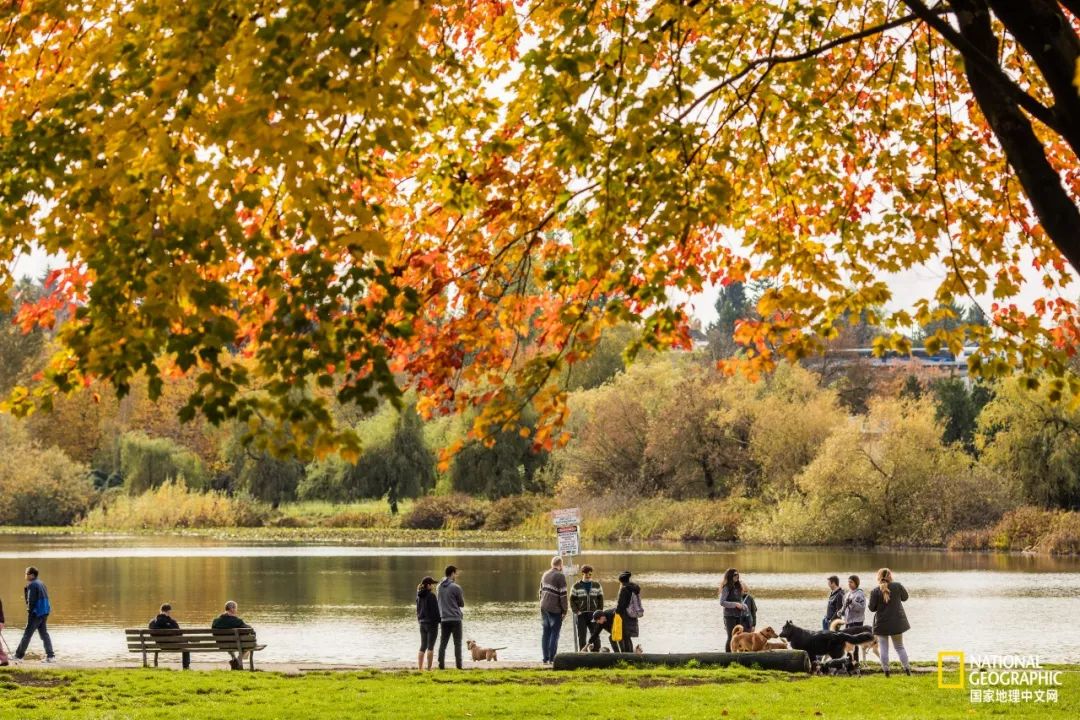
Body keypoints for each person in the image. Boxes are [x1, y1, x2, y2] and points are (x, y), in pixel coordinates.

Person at [867, 567, 911, 677]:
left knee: (883, 648)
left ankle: (886, 672)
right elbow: (905, 598)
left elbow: (872, 608)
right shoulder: (898, 586)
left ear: (878, 577)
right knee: (900, 647)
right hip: (897, 623)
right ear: (890, 576)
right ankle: (907, 670)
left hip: (882, 624)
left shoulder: (875, 591)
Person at [14, 566, 55, 664]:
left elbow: (31, 601)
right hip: (44, 611)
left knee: (27, 635)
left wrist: (30, 612)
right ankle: (51, 656)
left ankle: (18, 656)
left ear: (32, 575)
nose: (25, 575)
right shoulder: (41, 583)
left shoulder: (32, 585)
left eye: (26, 573)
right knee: (44, 634)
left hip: (36, 613)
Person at [539, 556, 568, 663]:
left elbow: (540, 592)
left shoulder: (545, 574)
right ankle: (552, 658)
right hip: (555, 609)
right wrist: (565, 610)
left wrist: (541, 604)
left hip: (543, 607)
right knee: (554, 633)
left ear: (552, 564)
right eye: (562, 565)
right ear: (560, 565)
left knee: (545, 633)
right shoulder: (560, 576)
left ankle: (545, 658)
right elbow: (563, 595)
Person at [437, 565, 465, 670]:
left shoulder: (438, 587)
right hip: (455, 619)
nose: (456, 575)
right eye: (456, 573)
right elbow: (462, 604)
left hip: (444, 619)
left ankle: (441, 666)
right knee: (457, 643)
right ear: (452, 573)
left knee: (443, 643)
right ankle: (459, 666)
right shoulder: (456, 587)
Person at [570, 565, 604, 651]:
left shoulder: (597, 585)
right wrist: (577, 611)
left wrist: (599, 612)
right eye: (587, 574)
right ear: (582, 573)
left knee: (595, 635)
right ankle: (582, 654)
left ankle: (596, 653)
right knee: (582, 636)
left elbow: (601, 600)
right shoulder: (576, 586)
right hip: (581, 615)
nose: (589, 576)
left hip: (594, 615)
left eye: (590, 574)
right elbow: (572, 601)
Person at [211, 600, 251, 670]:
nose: (236, 610)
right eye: (235, 608)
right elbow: (249, 629)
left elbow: (213, 633)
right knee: (248, 643)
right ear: (232, 609)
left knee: (228, 642)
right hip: (236, 644)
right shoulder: (237, 621)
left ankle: (234, 659)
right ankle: (239, 659)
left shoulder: (216, 621)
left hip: (221, 644)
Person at [149, 603, 190, 670]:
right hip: (173, 645)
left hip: (160, 646)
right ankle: (186, 666)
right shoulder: (171, 621)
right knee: (186, 643)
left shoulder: (152, 622)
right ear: (168, 611)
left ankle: (155, 664)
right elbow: (179, 633)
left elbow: (151, 635)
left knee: (185, 641)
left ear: (160, 610)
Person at [837, 575, 868, 661]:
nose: (849, 584)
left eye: (851, 582)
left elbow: (861, 609)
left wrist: (853, 602)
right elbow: (844, 607)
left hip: (857, 622)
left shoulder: (860, 594)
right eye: (848, 582)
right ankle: (849, 661)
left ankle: (856, 661)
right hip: (848, 621)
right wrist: (840, 612)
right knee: (847, 641)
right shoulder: (848, 594)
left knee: (855, 641)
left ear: (856, 583)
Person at [718, 568, 747, 653]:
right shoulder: (726, 588)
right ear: (730, 576)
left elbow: (741, 601)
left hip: (739, 615)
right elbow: (722, 602)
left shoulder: (738, 587)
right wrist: (735, 604)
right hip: (729, 616)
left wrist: (743, 606)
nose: (737, 576)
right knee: (731, 637)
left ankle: (737, 657)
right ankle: (728, 656)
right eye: (735, 575)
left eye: (737, 574)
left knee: (739, 637)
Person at [416, 576, 440, 671]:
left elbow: (417, 610)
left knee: (423, 646)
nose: (433, 586)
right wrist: (439, 621)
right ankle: (429, 669)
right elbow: (435, 611)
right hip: (432, 624)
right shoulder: (431, 596)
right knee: (430, 646)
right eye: (432, 584)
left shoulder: (418, 596)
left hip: (422, 623)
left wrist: (420, 620)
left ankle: (420, 668)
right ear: (428, 585)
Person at [613, 571, 641, 653]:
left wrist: (616, 612)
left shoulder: (624, 589)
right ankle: (630, 654)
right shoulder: (634, 588)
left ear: (621, 581)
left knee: (625, 636)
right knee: (628, 636)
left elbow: (621, 604)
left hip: (624, 615)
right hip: (632, 614)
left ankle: (627, 655)